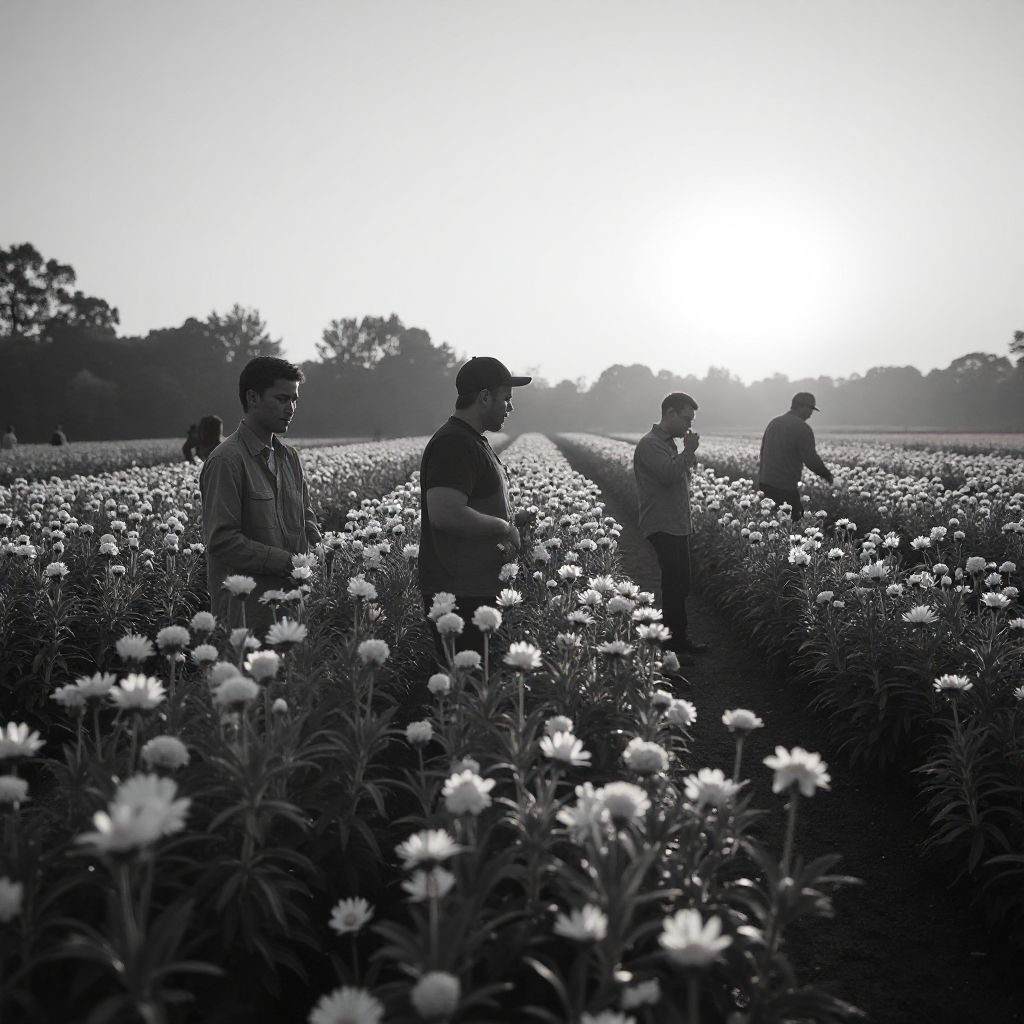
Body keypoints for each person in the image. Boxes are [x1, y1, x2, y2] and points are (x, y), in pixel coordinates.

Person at [419, 356, 531, 659]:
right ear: (484, 397)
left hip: (475, 584)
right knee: (464, 686)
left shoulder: (471, 440)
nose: (510, 407)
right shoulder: (454, 444)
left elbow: (471, 504)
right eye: (505, 399)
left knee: (474, 683)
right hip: (460, 591)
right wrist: (503, 527)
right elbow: (446, 514)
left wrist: (513, 519)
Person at [199, 357, 321, 634]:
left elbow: (306, 520)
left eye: (294, 400)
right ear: (252, 398)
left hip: (291, 612)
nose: (290, 409)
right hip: (246, 619)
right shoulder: (226, 461)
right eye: (281, 399)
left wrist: (318, 547)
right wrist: (287, 562)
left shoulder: (290, 458)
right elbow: (222, 540)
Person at [633, 392, 708, 665]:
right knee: (675, 582)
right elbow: (667, 476)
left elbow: (680, 476)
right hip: (663, 524)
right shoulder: (650, 444)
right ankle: (674, 641)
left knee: (681, 582)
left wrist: (687, 454)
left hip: (676, 523)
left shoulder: (667, 444)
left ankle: (674, 637)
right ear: (671, 413)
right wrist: (689, 451)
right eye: (686, 418)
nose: (688, 425)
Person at [757, 392, 833, 519]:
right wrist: (828, 476)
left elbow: (763, 451)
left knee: (772, 521)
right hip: (784, 486)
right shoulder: (802, 428)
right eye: (810, 409)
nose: (810, 415)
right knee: (794, 523)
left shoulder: (774, 423)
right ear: (802, 407)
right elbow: (811, 459)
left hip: (766, 482)